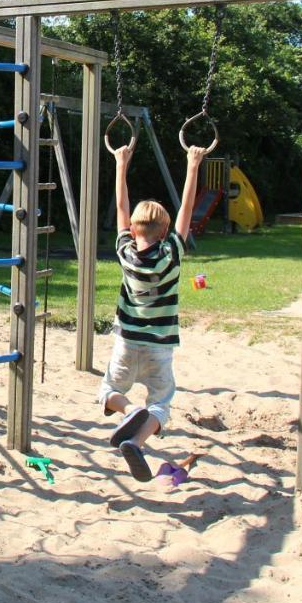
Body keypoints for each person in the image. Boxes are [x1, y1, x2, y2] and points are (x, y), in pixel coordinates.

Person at [99, 144, 207, 482]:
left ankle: (130, 410)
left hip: (127, 342)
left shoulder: (124, 251)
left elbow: (120, 206)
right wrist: (193, 166)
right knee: (161, 403)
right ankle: (135, 438)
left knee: (107, 392)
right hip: (159, 346)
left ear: (132, 231)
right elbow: (186, 210)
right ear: (165, 233)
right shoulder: (172, 254)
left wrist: (120, 164)